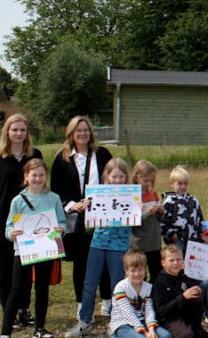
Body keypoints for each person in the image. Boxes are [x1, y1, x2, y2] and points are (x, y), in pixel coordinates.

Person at [0, 113, 43, 329]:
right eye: (14, 129)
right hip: (1, 220)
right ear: (7, 131)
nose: (19, 133)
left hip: (29, 220)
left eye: (22, 130)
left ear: (27, 133)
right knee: (6, 267)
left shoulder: (34, 155)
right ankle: (9, 311)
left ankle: (24, 309)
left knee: (26, 267)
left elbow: (41, 185)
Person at [51, 116, 113, 317]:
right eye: (78, 130)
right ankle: (82, 304)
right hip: (77, 219)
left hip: (102, 215)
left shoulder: (102, 154)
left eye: (86, 130)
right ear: (71, 133)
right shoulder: (62, 159)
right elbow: (56, 190)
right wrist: (72, 205)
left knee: (104, 257)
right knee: (82, 262)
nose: (83, 134)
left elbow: (116, 179)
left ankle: (107, 300)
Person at [66, 158, 135, 338]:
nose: (118, 180)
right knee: (90, 283)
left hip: (119, 246)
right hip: (98, 243)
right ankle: (84, 321)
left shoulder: (131, 196)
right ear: (107, 176)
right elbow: (89, 227)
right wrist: (88, 209)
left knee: (117, 285)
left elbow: (135, 224)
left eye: (121, 177)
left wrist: (139, 210)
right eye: (114, 176)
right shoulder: (97, 194)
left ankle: (116, 321)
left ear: (126, 177)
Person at [0, 159, 66, 338]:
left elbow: (61, 223)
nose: (38, 178)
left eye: (41, 175)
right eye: (34, 175)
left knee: (42, 288)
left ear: (46, 177)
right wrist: (12, 233)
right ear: (26, 177)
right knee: (17, 289)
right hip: (23, 251)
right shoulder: (17, 201)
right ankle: (5, 332)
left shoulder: (54, 198)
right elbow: (7, 227)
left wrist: (60, 231)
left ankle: (39, 328)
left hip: (46, 251)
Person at [109, 250, 172, 338]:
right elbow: (128, 313)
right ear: (126, 271)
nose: (137, 274)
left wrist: (151, 329)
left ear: (145, 269)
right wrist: (145, 333)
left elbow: (149, 310)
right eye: (133, 270)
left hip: (143, 321)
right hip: (123, 324)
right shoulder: (121, 287)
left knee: (166, 335)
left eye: (140, 269)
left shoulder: (148, 287)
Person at [153, 245, 206, 338]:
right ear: (163, 262)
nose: (175, 263)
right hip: (170, 319)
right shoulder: (159, 282)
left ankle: (197, 328)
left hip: (186, 315)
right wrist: (183, 297)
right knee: (186, 335)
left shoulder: (184, 277)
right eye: (171, 260)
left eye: (178, 259)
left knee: (198, 295)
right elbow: (162, 310)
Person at [130, 160, 164, 280]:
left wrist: (160, 212)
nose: (148, 183)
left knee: (156, 272)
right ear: (137, 177)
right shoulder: (131, 195)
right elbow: (131, 220)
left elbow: (159, 219)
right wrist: (146, 214)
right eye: (146, 180)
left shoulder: (153, 194)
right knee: (140, 273)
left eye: (151, 181)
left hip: (154, 241)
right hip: (139, 243)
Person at [160, 165, 204, 251]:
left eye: (185, 183)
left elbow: (200, 219)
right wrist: (171, 235)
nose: (183, 186)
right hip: (177, 242)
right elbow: (162, 223)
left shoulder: (194, 200)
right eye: (180, 184)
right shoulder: (169, 202)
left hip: (193, 241)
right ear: (172, 183)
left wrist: (201, 236)